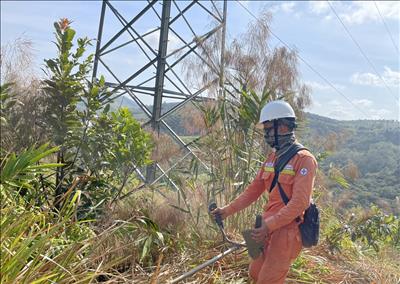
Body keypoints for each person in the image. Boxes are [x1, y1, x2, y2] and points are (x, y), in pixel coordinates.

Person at [211, 100, 318, 284]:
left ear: (283, 127)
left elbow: (299, 203)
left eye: (268, 129)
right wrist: (226, 211)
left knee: (268, 280)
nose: (266, 134)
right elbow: (253, 190)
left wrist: (269, 226)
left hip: (285, 231)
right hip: (263, 225)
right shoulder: (271, 158)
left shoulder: (304, 160)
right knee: (254, 273)